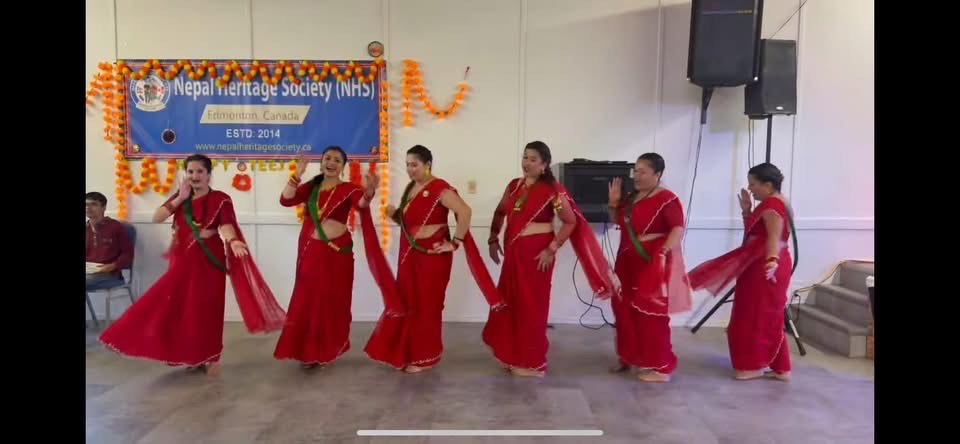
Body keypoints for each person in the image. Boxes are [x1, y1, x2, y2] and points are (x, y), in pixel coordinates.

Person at [99, 154, 286, 375]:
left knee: (207, 308)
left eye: (199, 171)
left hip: (208, 259)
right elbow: (157, 217)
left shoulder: (221, 199)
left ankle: (211, 355)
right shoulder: (181, 197)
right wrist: (180, 198)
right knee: (180, 308)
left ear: (208, 174)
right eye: (190, 171)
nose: (195, 176)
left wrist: (234, 241)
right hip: (182, 259)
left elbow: (226, 225)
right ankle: (189, 354)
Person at [483, 141, 619, 377]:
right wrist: (493, 238)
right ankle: (512, 355)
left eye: (533, 159)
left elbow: (570, 221)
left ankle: (532, 362)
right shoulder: (514, 186)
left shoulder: (553, 191)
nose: (526, 163)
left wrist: (551, 249)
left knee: (531, 307)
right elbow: (500, 211)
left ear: (544, 164)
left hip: (537, 257)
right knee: (511, 303)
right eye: (525, 157)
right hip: (514, 255)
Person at [364, 145, 503, 373]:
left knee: (426, 306)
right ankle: (408, 353)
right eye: (407, 165)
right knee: (408, 303)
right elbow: (410, 224)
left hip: (432, 257)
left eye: (414, 165)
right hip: (410, 256)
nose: (410, 169)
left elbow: (465, 212)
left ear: (427, 164)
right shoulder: (411, 188)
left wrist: (455, 242)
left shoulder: (440, 188)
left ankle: (424, 358)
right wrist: (394, 215)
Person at [272, 146, 380, 369]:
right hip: (311, 252)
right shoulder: (311, 187)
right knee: (307, 300)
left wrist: (369, 192)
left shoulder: (349, 189)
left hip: (336, 254)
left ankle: (326, 348)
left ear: (343, 166)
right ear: (321, 162)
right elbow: (285, 200)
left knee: (330, 301)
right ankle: (307, 350)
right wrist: (297, 173)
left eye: (337, 160)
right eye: (327, 158)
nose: (331, 163)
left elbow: (361, 204)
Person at [687, 163, 793, 381]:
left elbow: (774, 237)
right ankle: (779, 367)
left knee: (753, 316)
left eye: (753, 184)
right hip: (760, 264)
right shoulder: (776, 201)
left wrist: (772, 260)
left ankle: (751, 366)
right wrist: (747, 211)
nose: (750, 188)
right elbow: (757, 234)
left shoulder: (773, 204)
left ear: (768, 185)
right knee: (763, 314)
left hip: (766, 266)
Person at [606, 153, 693, 383]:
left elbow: (677, 228)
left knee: (650, 314)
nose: (637, 176)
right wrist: (614, 203)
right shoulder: (631, 198)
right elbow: (617, 221)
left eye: (643, 171)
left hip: (652, 262)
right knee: (624, 309)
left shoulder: (667, 199)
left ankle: (659, 366)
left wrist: (663, 252)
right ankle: (630, 356)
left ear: (658, 174)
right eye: (635, 171)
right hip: (626, 262)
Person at [85, 192, 134, 291]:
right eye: (86, 204)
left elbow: (128, 253)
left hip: (109, 274)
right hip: (88, 271)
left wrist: (113, 266)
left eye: (93, 204)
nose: (88, 208)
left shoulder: (116, 227)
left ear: (103, 208)